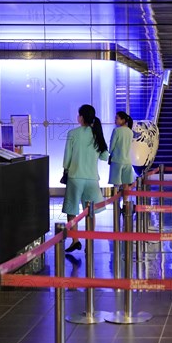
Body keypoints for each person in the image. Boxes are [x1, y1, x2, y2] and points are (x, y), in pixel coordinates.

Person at [62, 104, 109, 253]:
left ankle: (75, 240)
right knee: (91, 211)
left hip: (75, 176)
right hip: (92, 178)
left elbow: (67, 158)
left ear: (81, 117)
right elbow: (104, 156)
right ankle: (90, 240)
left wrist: (66, 169)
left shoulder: (73, 133)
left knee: (72, 210)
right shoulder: (96, 133)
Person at [108, 111, 134, 188]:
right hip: (128, 161)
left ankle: (115, 200)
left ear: (123, 120)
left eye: (117, 118)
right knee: (126, 184)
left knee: (116, 185)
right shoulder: (130, 132)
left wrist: (109, 154)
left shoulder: (117, 131)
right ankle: (126, 200)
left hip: (117, 160)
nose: (115, 120)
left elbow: (112, 146)